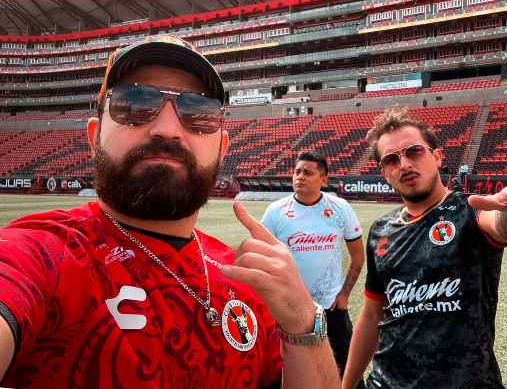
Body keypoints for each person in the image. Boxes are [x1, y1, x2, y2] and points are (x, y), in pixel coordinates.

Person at [0, 36, 341, 389]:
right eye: (134, 103)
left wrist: (302, 321)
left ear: (222, 149)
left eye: (198, 113)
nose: (167, 129)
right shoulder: (45, 253)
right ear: (94, 135)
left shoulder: (248, 282)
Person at [342, 106, 507, 389]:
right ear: (384, 173)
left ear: (437, 157)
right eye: (392, 159)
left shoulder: (469, 210)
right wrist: (347, 384)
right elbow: (372, 313)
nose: (405, 164)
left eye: (414, 151)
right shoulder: (380, 231)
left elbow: (501, 221)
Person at [261, 152, 365, 388]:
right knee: (283, 373)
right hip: (288, 309)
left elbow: (358, 257)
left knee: (349, 372)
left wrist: (344, 295)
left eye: (308, 172)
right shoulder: (276, 211)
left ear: (324, 179)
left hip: (331, 308)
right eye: (297, 172)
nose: (300, 177)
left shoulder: (340, 208)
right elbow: (263, 256)